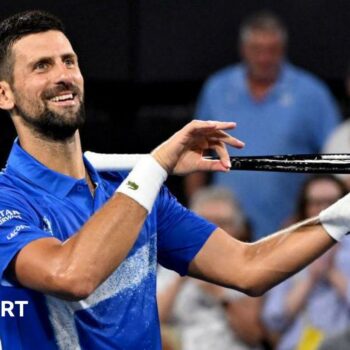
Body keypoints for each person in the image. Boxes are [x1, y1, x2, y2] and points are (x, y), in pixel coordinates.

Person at [0, 10, 347, 350]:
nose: (63, 75)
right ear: (5, 94)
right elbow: (71, 275)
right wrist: (157, 165)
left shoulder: (134, 186)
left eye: (69, 61)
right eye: (41, 66)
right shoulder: (7, 200)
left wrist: (345, 211)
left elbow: (249, 268)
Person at [188, 11, 340, 240]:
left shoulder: (312, 93)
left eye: (272, 50)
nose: (264, 58)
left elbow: (334, 162)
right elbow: (194, 151)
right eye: (257, 49)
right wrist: (195, 212)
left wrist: (309, 214)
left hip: (292, 226)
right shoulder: (217, 89)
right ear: (243, 49)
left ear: (283, 49)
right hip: (225, 225)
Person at [157, 186, 266, 350]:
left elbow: (253, 335)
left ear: (238, 229)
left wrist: (219, 293)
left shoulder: (250, 266)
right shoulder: (170, 263)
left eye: (223, 223)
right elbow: (154, 320)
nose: (213, 231)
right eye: (206, 221)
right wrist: (182, 276)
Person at [262, 175, 350, 350]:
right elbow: (273, 318)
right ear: (304, 208)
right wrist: (310, 278)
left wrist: (333, 273)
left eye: (332, 202)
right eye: (316, 203)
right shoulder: (288, 249)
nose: (325, 210)